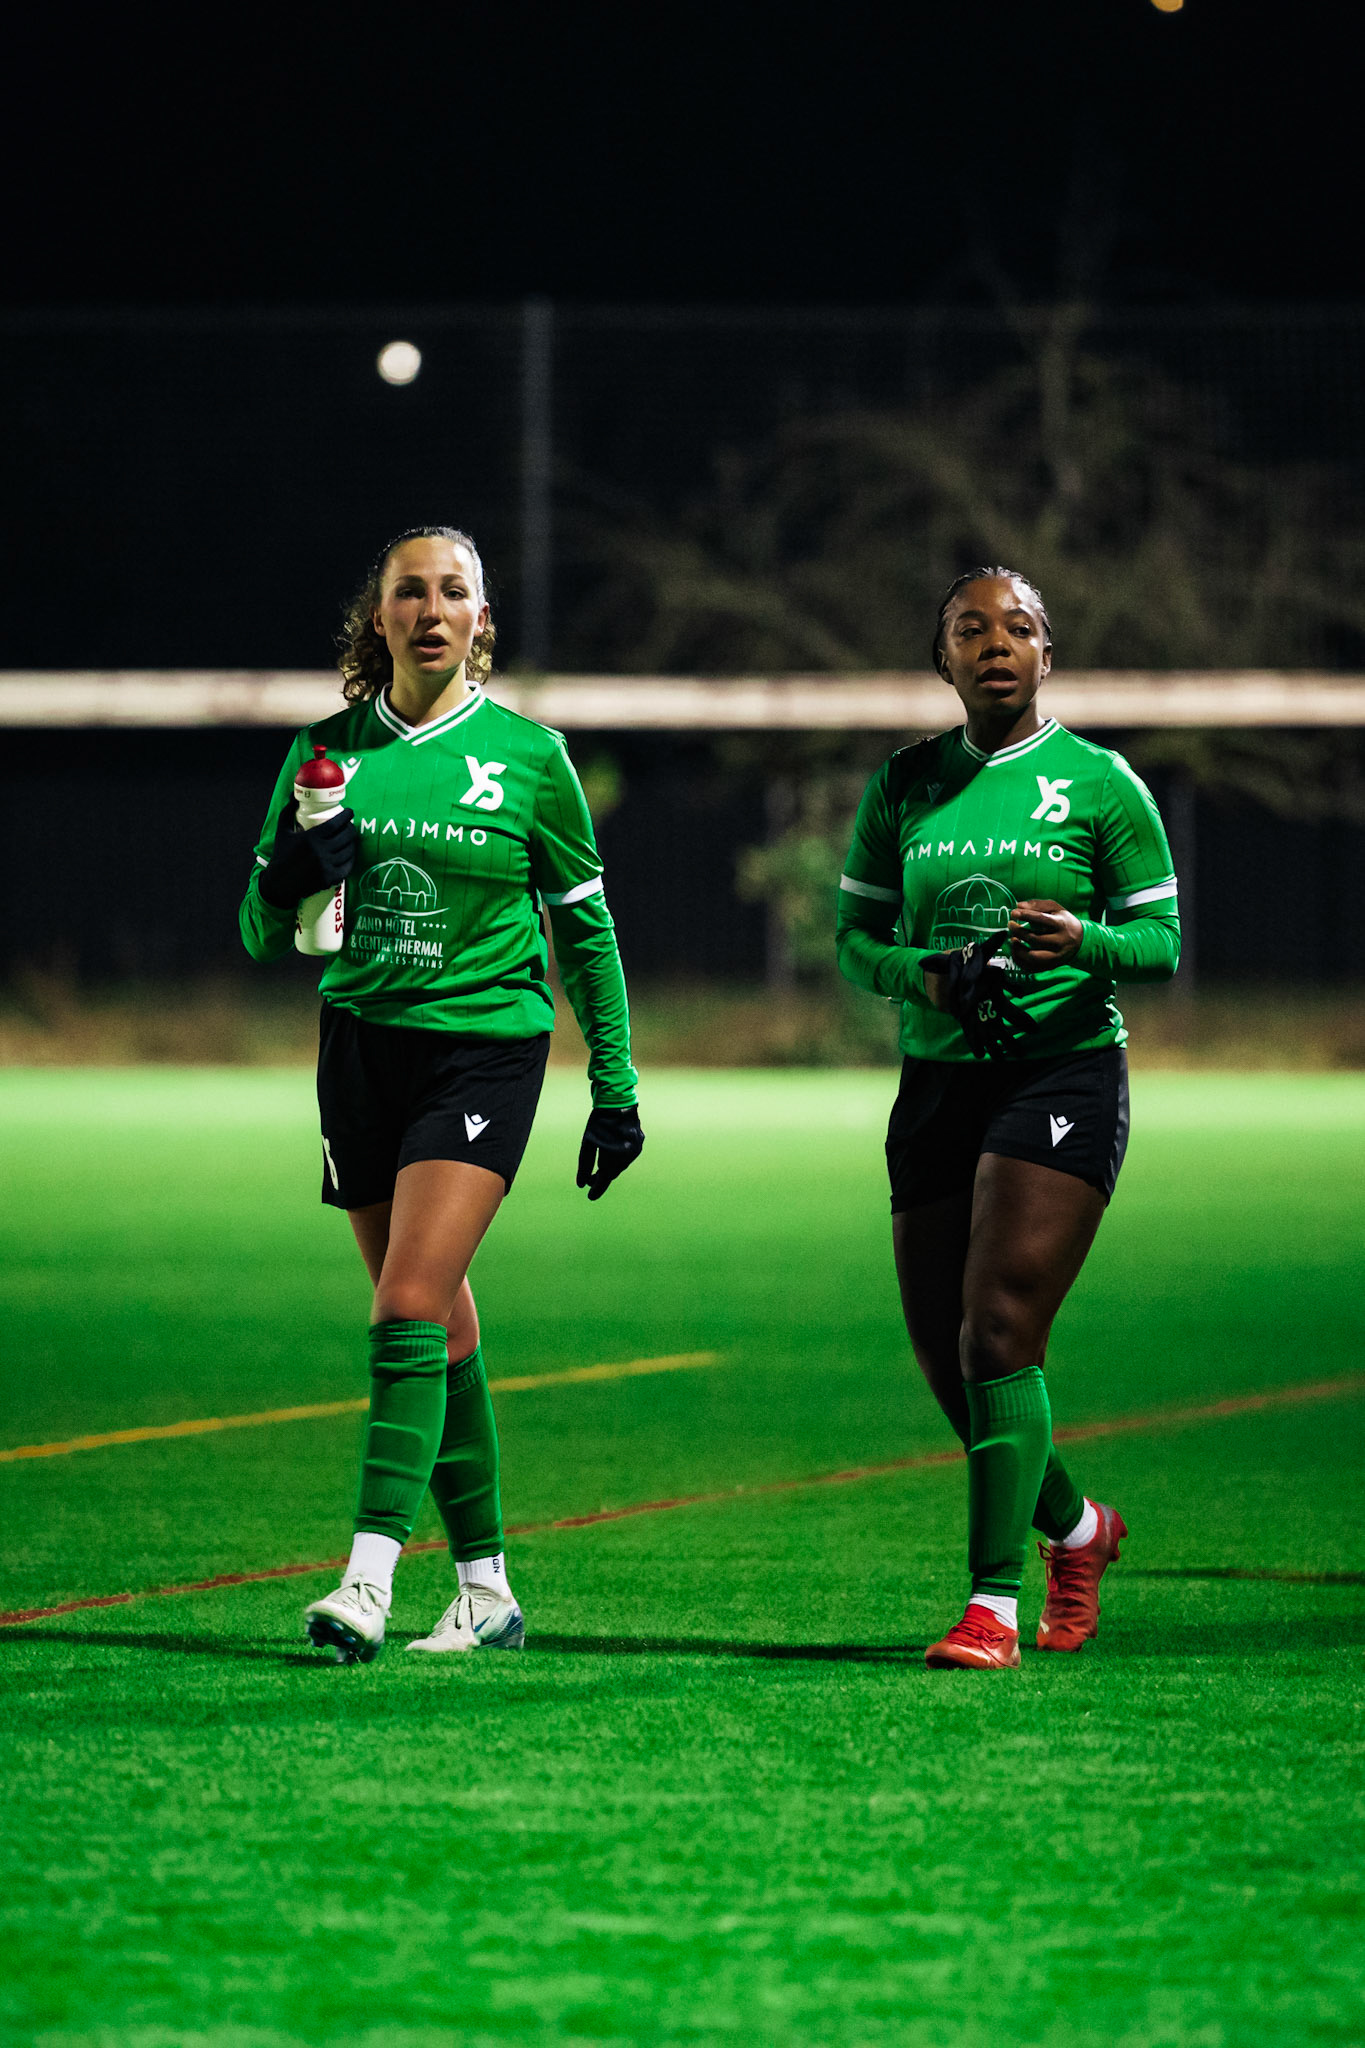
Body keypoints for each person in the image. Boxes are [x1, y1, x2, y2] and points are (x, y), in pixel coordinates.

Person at [239, 526, 643, 1665]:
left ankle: (367, 1577)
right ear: (379, 619)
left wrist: (614, 1086)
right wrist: (288, 876)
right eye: (407, 591)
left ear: (480, 620)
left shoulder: (528, 757)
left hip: (485, 1049)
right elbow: (262, 930)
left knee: (408, 1304)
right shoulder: (325, 753)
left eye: (452, 590)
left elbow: (587, 930)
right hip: (361, 1048)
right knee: (439, 1316)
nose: (429, 608)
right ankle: (487, 1586)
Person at [836, 567, 1179, 1670]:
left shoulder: (1099, 782)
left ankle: (989, 1605)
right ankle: (1080, 1528)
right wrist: (923, 977)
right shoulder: (903, 786)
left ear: (1048, 652)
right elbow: (857, 943)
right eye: (971, 629)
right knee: (952, 1359)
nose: (997, 643)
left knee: (998, 1331)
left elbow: (1161, 945)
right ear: (942, 660)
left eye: (1019, 626)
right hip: (938, 1082)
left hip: (1060, 1076)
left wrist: (1086, 941)